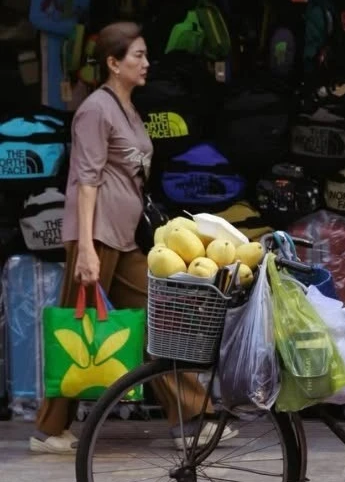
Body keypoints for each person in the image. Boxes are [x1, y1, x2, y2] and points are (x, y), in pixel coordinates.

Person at [31, 22, 233, 454]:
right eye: (137, 55)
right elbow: (85, 180)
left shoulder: (128, 107)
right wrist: (85, 248)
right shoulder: (95, 111)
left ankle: (191, 417)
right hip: (97, 235)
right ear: (112, 63)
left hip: (125, 238)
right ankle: (50, 430)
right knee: (76, 325)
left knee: (158, 319)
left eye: (144, 54)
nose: (145, 62)